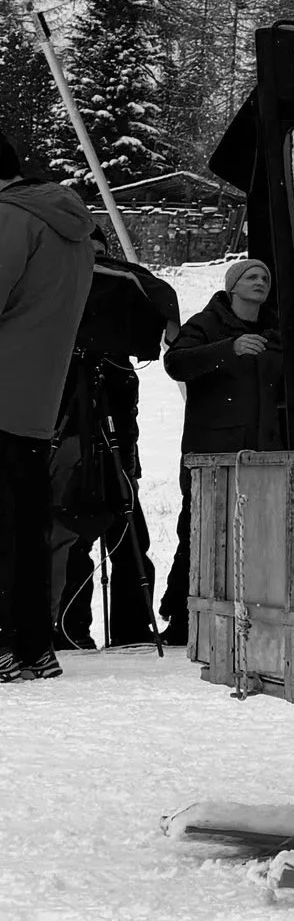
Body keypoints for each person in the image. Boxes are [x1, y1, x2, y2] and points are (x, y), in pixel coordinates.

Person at [0, 127, 100, 684]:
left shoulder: (10, 217)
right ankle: (34, 645)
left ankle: (4, 646)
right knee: (26, 526)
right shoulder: (71, 228)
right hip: (37, 399)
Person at [53, 244, 179, 646]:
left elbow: (127, 418)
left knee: (130, 539)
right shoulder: (59, 345)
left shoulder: (119, 362)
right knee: (73, 540)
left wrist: (131, 466)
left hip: (117, 455)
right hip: (73, 456)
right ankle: (70, 629)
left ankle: (131, 628)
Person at [160, 256, 285, 641]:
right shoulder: (206, 324)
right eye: (251, 276)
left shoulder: (276, 330)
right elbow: (175, 363)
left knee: (259, 537)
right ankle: (182, 618)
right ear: (232, 286)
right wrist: (228, 349)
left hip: (263, 452)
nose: (260, 282)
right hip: (212, 450)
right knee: (201, 534)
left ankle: (246, 619)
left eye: (265, 277)